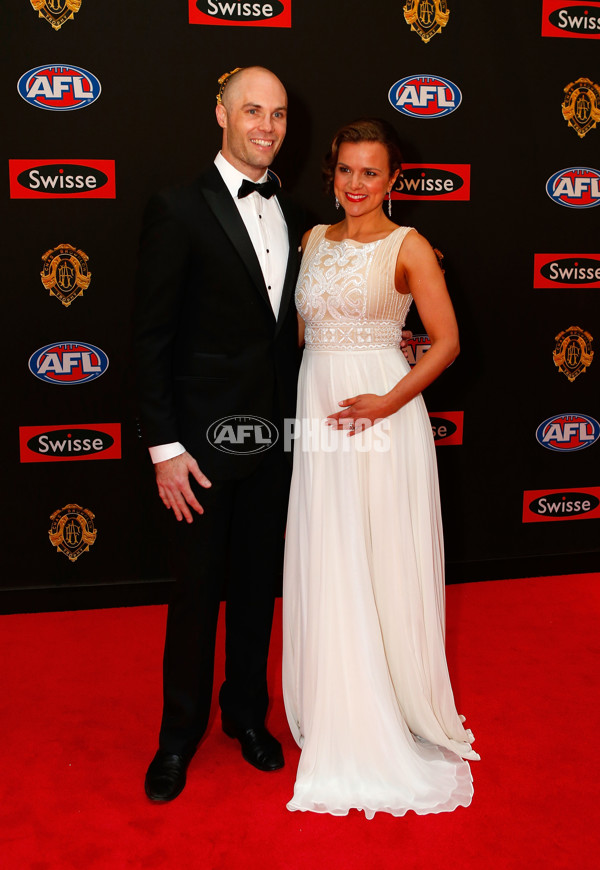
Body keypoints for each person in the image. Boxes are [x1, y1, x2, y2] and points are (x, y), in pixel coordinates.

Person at [282, 118, 480, 819]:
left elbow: (447, 342)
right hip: (319, 414)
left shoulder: (410, 245)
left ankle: (385, 705)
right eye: (345, 171)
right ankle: (335, 692)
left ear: (394, 180)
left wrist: (386, 399)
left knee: (377, 553)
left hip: (382, 417)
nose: (357, 185)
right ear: (330, 173)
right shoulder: (311, 241)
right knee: (332, 551)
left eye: (371, 172)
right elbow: (309, 334)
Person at [133, 66, 305, 802]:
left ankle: (246, 718)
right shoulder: (177, 207)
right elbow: (150, 339)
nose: (265, 126)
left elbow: (293, 331)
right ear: (221, 114)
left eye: (278, 114)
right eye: (252, 111)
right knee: (197, 592)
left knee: (256, 588)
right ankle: (177, 737)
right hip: (199, 450)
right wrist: (164, 449)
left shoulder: (296, 213)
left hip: (273, 443)